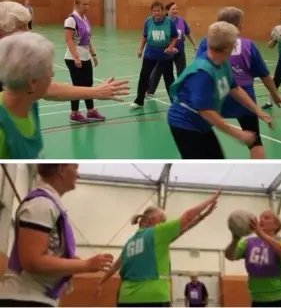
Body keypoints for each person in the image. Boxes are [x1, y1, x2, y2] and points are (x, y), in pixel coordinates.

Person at [0, 164, 114, 307]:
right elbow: (32, 261)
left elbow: (44, 253)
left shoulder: (49, 204)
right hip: (24, 298)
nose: (78, 174)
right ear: (62, 170)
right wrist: (85, 264)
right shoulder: (41, 204)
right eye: (75, 168)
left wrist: (72, 262)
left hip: (35, 297)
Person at [0, 32, 128, 159]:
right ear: (32, 82)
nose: (53, 74)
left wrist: (95, 92)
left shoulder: (28, 100)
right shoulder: (3, 129)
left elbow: (52, 90)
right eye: (48, 70)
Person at [196, 7, 281, 159]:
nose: (242, 26)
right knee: (255, 143)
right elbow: (265, 76)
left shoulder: (205, 43)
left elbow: (199, 69)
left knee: (200, 137)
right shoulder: (248, 45)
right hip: (244, 97)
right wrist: (276, 95)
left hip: (215, 97)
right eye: (240, 23)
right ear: (234, 25)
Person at [166, 21, 272, 159]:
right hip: (184, 123)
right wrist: (237, 134)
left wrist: (257, 110)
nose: (236, 44)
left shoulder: (223, 62)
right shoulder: (202, 72)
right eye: (234, 42)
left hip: (201, 122)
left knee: (217, 158)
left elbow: (235, 88)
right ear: (226, 47)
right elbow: (206, 111)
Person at [0, 0, 129, 99]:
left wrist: (95, 92)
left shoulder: (15, 57)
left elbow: (46, 89)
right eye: (21, 28)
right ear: (2, 31)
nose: (28, 32)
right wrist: (94, 92)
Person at [117, 192, 220, 307]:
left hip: (126, 298)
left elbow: (117, 266)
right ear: (153, 219)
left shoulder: (129, 243)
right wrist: (207, 203)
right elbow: (186, 218)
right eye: (162, 220)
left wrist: (102, 282)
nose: (164, 223)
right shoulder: (157, 233)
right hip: (153, 296)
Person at [225, 211, 281, 307]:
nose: (261, 220)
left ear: (276, 225)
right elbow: (230, 256)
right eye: (260, 218)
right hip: (258, 297)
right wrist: (235, 240)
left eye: (266, 218)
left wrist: (263, 235)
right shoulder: (248, 242)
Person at [63, 0, 105, 123]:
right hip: (73, 57)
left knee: (88, 85)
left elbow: (88, 40)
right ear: (77, 5)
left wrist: (93, 55)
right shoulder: (71, 19)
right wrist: (76, 57)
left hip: (85, 57)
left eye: (88, 4)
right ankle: (74, 114)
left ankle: (91, 111)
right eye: (84, 4)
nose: (87, 6)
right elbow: (68, 40)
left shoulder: (85, 19)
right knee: (77, 86)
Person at [131, 1, 178, 109]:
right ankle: (139, 101)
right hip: (150, 53)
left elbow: (175, 37)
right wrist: (140, 49)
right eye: (154, 11)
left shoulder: (169, 22)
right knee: (144, 76)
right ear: (152, 12)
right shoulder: (148, 22)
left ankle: (174, 102)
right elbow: (144, 37)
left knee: (169, 79)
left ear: (163, 11)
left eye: (158, 10)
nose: (156, 13)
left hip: (165, 54)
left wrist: (171, 46)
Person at [147, 2, 197, 98]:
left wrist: (195, 44)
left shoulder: (182, 21)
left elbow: (188, 33)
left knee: (182, 71)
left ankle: (183, 89)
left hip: (179, 51)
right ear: (167, 10)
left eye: (176, 9)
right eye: (173, 9)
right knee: (158, 71)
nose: (175, 11)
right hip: (165, 51)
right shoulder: (163, 21)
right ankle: (150, 90)